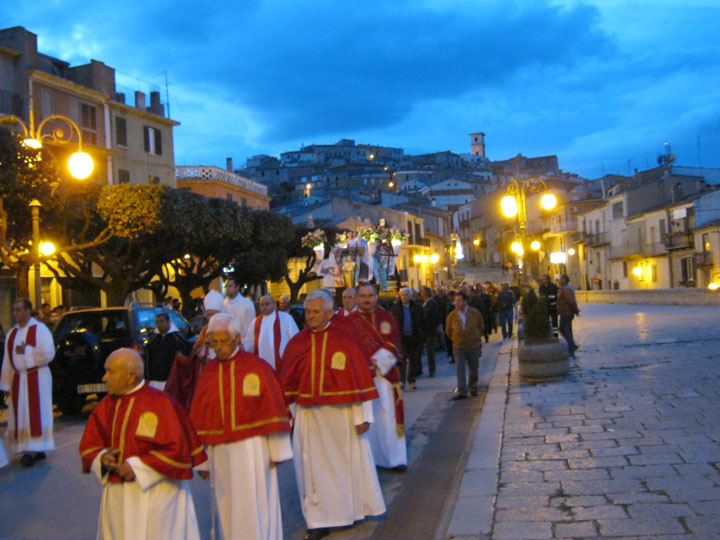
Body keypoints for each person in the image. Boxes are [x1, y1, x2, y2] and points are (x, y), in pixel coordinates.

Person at [278, 289, 385, 540]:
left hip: (342, 418)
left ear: (328, 313)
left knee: (345, 466)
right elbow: (287, 383)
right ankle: (317, 520)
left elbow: (359, 379)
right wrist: (287, 412)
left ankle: (349, 511)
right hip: (310, 419)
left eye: (316, 312)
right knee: (310, 470)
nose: (311, 317)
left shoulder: (344, 341)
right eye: (308, 312)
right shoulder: (297, 344)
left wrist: (363, 416)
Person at [79, 348, 206, 540]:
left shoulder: (161, 404)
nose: (105, 378)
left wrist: (138, 467)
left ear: (131, 376)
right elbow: (90, 443)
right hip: (117, 498)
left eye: (110, 372)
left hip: (155, 497)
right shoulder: (106, 405)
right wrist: (102, 458)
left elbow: (178, 451)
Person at [190, 313, 293, 540]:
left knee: (256, 501)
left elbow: (274, 409)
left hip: (253, 450)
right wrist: (203, 461)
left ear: (236, 338)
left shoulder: (258, 368)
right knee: (227, 504)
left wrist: (278, 450)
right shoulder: (208, 373)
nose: (219, 347)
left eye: (223, 341)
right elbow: (200, 417)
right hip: (221, 453)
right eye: (214, 342)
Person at [348, 283, 407, 470]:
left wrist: (375, 362)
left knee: (387, 416)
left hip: (384, 375)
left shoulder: (386, 317)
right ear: (357, 298)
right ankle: (370, 461)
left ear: (376, 296)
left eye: (370, 295)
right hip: (360, 378)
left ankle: (395, 460)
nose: (367, 299)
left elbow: (392, 342)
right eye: (363, 296)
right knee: (366, 417)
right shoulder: (349, 321)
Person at [0, 298, 55, 467]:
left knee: (36, 413)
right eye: (14, 309)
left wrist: (28, 351)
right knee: (21, 414)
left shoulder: (40, 330)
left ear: (27, 311)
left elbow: (49, 353)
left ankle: (33, 450)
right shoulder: (12, 333)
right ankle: (32, 448)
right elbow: (8, 361)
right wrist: (6, 385)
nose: (14, 312)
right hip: (19, 379)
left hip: (37, 378)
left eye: (18, 309)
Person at [164, 289, 222, 412]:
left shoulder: (227, 328)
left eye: (213, 314)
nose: (210, 317)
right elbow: (196, 350)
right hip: (205, 369)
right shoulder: (205, 330)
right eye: (208, 314)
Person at [243, 295, 299, 370]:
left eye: (267, 304)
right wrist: (243, 347)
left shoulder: (286, 318)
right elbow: (250, 342)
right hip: (262, 364)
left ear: (274, 304)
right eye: (262, 304)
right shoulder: (255, 322)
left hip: (283, 363)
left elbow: (295, 339)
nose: (264, 306)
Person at [445, 291, 484, 400]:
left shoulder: (475, 313)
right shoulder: (452, 316)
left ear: (465, 301)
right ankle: (462, 391)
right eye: (455, 301)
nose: (456, 303)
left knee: (473, 368)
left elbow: (481, 326)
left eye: (459, 301)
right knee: (460, 368)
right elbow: (448, 331)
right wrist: (455, 338)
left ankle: (473, 387)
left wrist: (476, 336)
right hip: (459, 346)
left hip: (473, 345)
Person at [390, 287, 425, 389]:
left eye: (406, 295)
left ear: (410, 296)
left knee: (413, 361)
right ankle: (401, 382)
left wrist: (422, 335)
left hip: (414, 338)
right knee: (402, 361)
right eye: (402, 295)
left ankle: (411, 380)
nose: (404, 297)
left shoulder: (417, 308)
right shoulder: (395, 309)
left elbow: (423, 321)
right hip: (401, 338)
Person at [145, 312, 191, 389]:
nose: (159, 324)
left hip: (172, 378)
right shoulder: (153, 339)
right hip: (155, 379)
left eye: (162, 321)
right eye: (157, 322)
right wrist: (147, 376)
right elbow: (148, 358)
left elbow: (187, 353)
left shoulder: (177, 338)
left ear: (168, 322)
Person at [420, 287, 442, 377]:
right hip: (424, 331)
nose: (421, 295)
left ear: (425, 294)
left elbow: (432, 317)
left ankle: (432, 370)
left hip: (430, 331)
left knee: (430, 352)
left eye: (422, 293)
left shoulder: (432, 303)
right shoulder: (424, 303)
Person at [557, 274, 580, 357]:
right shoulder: (566, 288)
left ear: (564, 281)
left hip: (566, 312)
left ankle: (571, 348)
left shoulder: (565, 289)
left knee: (566, 330)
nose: (559, 280)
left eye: (561, 279)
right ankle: (572, 345)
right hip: (566, 312)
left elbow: (570, 301)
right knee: (565, 329)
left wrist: (575, 310)